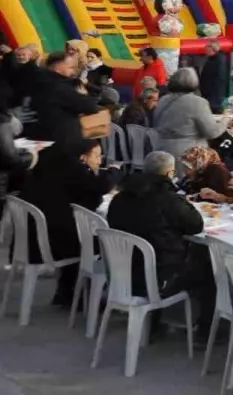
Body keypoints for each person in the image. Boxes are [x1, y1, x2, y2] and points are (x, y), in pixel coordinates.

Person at [17, 138, 120, 305]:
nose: (99, 161)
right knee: (102, 242)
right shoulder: (75, 171)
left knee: (77, 233)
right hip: (52, 243)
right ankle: (86, 295)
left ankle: (67, 291)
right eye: (96, 156)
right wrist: (114, 170)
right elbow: (100, 187)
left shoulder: (50, 167)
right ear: (83, 158)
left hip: (31, 239)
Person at [106, 151, 206, 296]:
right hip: (156, 276)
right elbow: (196, 225)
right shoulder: (168, 199)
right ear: (170, 173)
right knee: (204, 268)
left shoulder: (120, 197)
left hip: (120, 271)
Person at [25, 51, 100, 144]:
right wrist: (84, 93)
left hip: (37, 134)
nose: (73, 71)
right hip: (58, 140)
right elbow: (90, 107)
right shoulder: (60, 87)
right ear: (57, 67)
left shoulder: (39, 78)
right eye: (70, 67)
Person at [197, 41, 227, 113]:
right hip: (209, 91)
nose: (205, 50)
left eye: (206, 48)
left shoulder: (219, 59)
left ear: (212, 48)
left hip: (213, 93)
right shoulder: (212, 59)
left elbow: (219, 77)